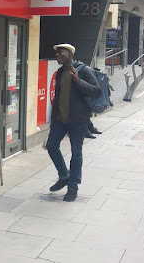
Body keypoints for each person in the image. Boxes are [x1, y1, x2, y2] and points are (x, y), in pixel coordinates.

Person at [46, 44, 101, 201]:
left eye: (60, 53)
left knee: (76, 153)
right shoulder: (59, 72)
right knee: (51, 146)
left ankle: (73, 188)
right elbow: (57, 98)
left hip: (78, 120)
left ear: (70, 53)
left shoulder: (84, 70)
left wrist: (78, 81)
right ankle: (64, 175)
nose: (57, 55)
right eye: (56, 53)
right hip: (60, 120)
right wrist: (53, 119)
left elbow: (97, 91)